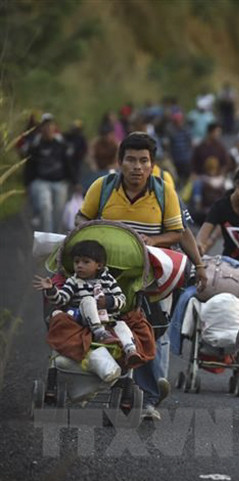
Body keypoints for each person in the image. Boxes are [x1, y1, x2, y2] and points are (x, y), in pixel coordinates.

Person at [76, 132, 204, 421]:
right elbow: (81, 219)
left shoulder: (164, 192)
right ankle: (126, 390)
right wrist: (98, 231)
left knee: (149, 330)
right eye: (131, 160)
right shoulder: (102, 187)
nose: (137, 167)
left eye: (143, 161)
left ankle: (147, 396)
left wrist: (153, 241)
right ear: (120, 162)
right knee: (109, 326)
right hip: (107, 275)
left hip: (151, 277)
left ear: (152, 165)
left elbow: (178, 232)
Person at [33, 240, 142, 367]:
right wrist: (51, 289)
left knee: (122, 324)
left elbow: (122, 299)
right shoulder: (73, 281)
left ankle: (130, 350)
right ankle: (99, 332)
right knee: (88, 300)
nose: (79, 265)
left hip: (108, 319)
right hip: (84, 320)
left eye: (85, 262)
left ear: (99, 265)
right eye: (76, 262)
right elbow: (61, 299)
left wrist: (108, 301)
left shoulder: (108, 279)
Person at [196, 164, 239, 262]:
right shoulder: (220, 206)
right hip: (230, 264)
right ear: (237, 184)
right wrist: (199, 246)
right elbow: (202, 236)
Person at [24, 113, 75, 233]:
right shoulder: (35, 145)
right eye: (45, 127)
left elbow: (68, 163)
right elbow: (29, 165)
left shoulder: (61, 144)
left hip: (60, 182)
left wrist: (75, 181)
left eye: (50, 126)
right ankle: (47, 237)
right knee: (45, 206)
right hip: (41, 181)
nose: (48, 129)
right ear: (41, 129)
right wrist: (27, 184)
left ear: (54, 128)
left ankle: (55, 237)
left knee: (59, 211)